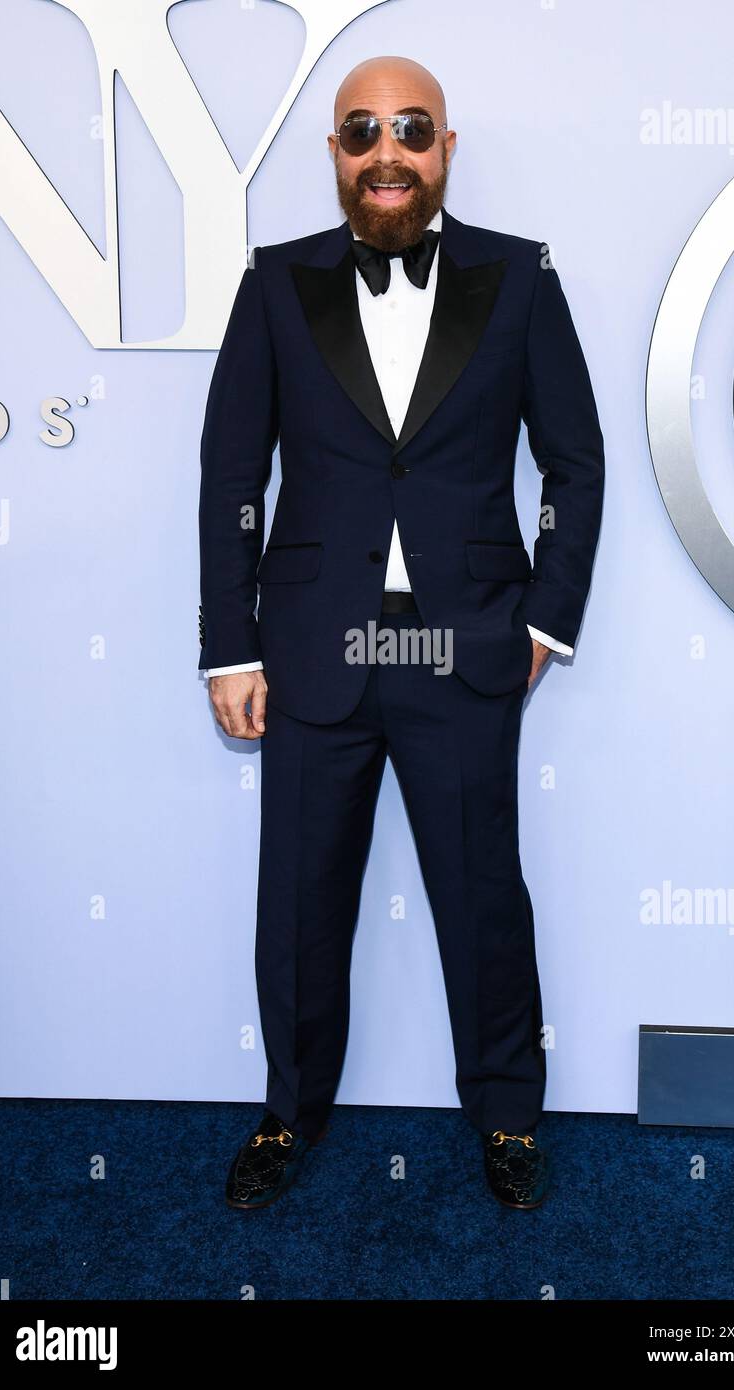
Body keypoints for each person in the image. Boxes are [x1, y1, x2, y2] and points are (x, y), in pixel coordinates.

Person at [198, 54, 604, 1211]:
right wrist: (230, 645)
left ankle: (509, 1118)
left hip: (464, 647)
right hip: (311, 650)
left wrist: (544, 621)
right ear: (332, 152)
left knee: (483, 894)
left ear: (445, 148)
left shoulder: (518, 278)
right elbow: (232, 473)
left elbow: (574, 464)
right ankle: (288, 1114)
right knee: (300, 898)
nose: (387, 150)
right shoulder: (275, 284)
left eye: (410, 129)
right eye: (361, 130)